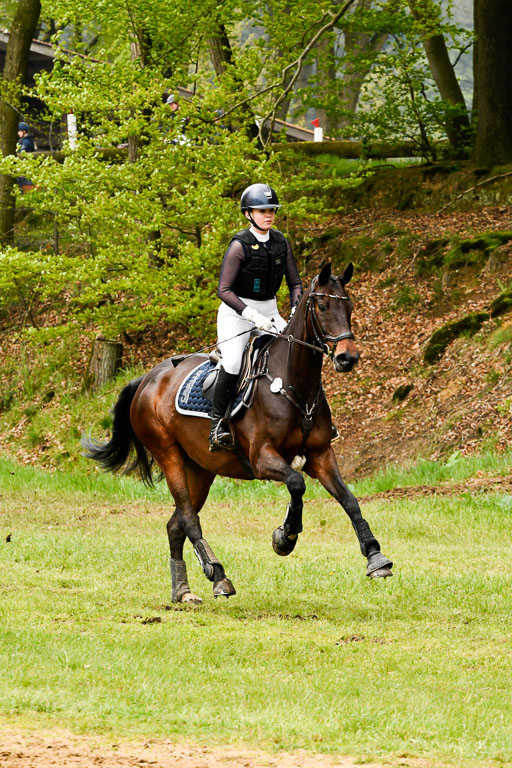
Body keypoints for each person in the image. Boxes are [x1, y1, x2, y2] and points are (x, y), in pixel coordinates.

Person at [209, 183, 303, 452]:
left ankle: (306, 417)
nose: (269, 215)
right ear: (249, 214)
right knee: (235, 362)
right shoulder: (239, 245)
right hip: (236, 313)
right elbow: (224, 290)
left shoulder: (280, 243)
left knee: (295, 354)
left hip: (270, 311)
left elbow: (295, 283)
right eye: (262, 211)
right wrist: (249, 314)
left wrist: (295, 307)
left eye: (271, 210)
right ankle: (217, 425)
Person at [15, 122, 35, 192]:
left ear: (24, 131)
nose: (18, 133)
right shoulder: (23, 140)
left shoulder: (26, 141)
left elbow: (21, 152)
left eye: (19, 131)